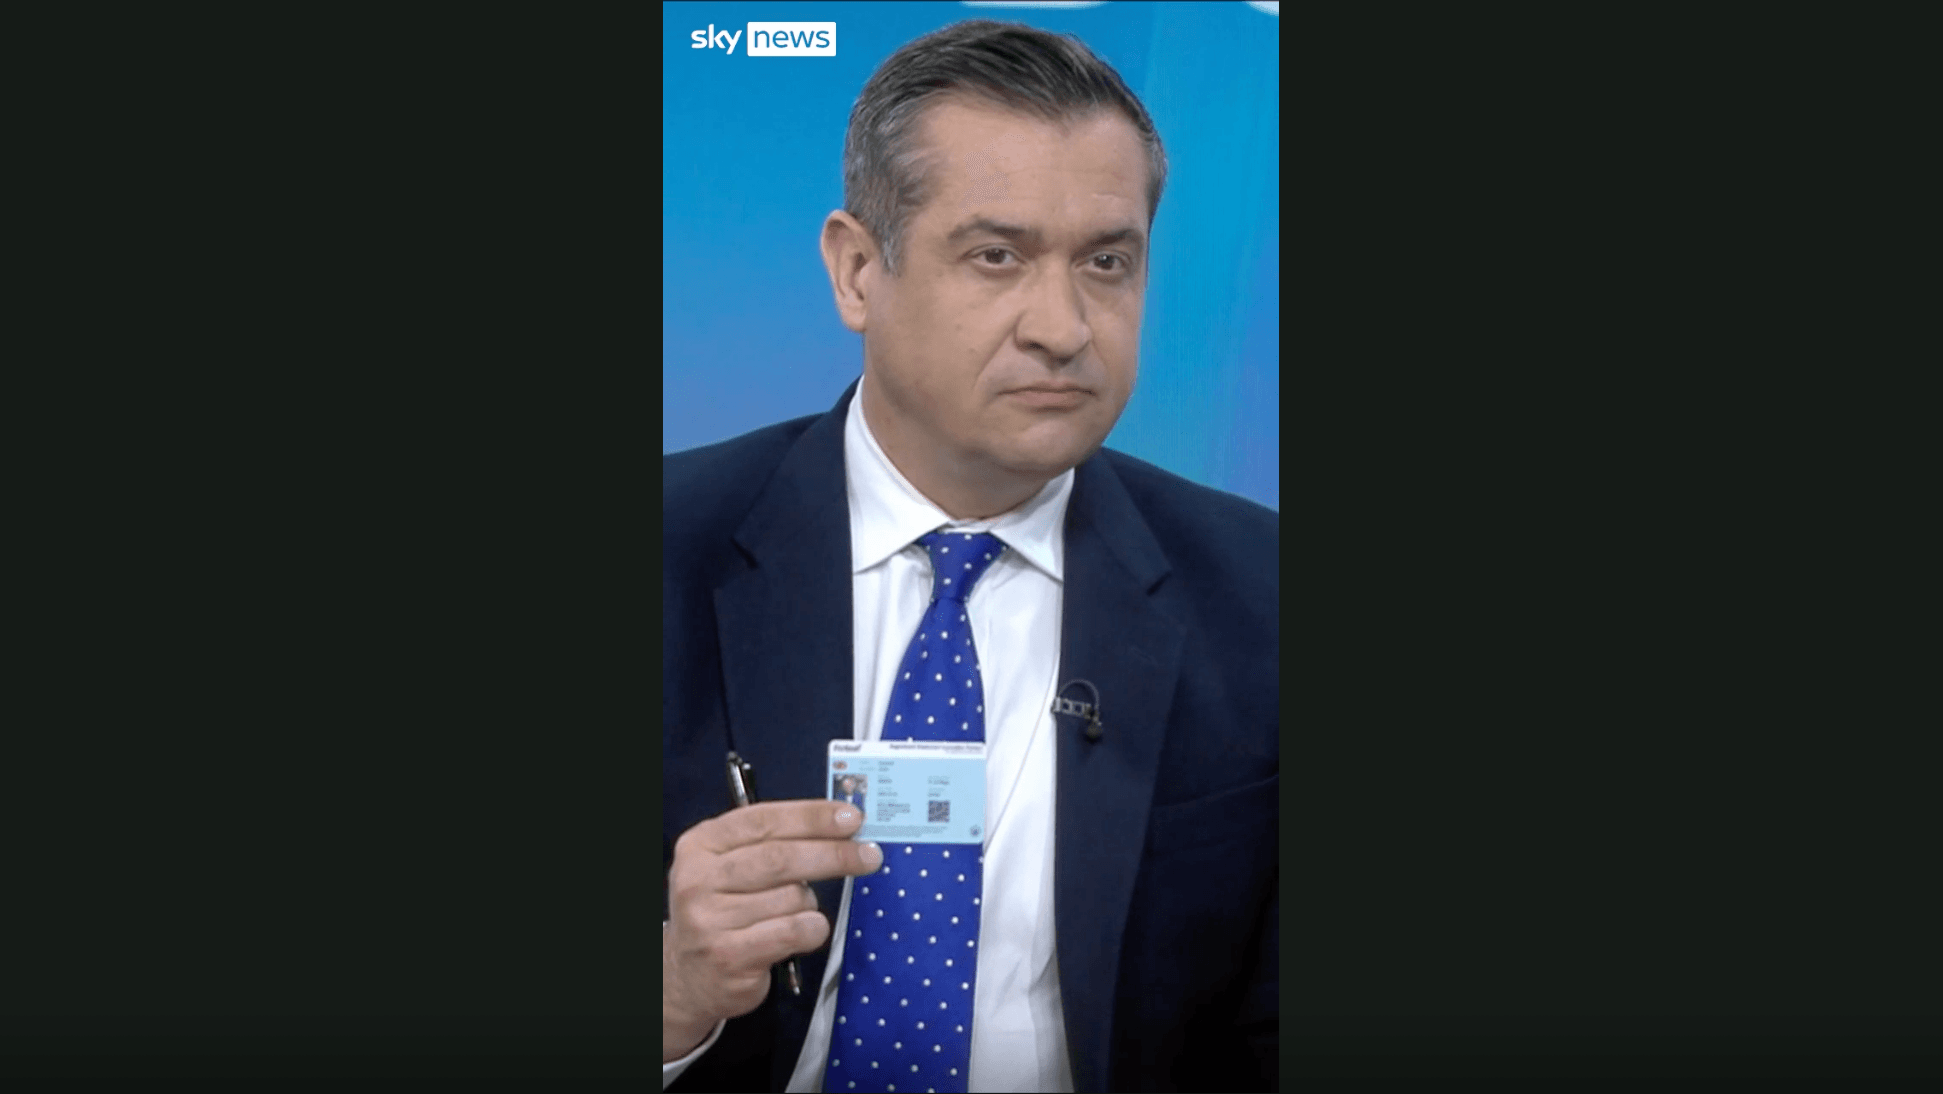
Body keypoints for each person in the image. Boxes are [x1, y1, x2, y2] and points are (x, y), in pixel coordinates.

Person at [663, 20, 1276, 1093]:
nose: (1062, 327)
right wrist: (669, 996)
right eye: (997, 256)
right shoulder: (673, 545)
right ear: (857, 270)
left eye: (1106, 263)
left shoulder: (1261, 596)